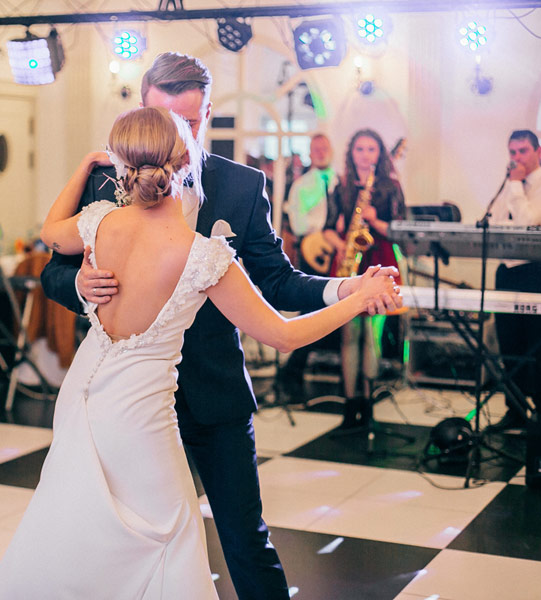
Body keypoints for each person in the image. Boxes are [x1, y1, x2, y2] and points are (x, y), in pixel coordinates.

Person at [39, 52, 401, 600]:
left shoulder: (238, 186)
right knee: (126, 539)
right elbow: (53, 269)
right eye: (166, 120)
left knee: (243, 539)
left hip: (213, 395)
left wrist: (345, 287)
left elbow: (277, 284)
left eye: (191, 121)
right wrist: (78, 287)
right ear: (143, 111)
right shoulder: (104, 183)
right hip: (125, 404)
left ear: (207, 112)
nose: (178, 134)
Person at [323, 129, 406, 429]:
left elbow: (400, 231)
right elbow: (328, 228)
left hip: (380, 262)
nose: (366, 155)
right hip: (349, 265)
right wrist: (342, 245)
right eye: (360, 149)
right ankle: (349, 403)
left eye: (372, 149)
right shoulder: (341, 187)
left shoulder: (390, 187)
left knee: (373, 333)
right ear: (351, 153)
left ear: (380, 154)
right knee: (349, 334)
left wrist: (373, 219)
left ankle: (369, 402)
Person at [488, 129, 541, 432]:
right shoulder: (508, 184)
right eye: (513, 152)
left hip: (538, 271)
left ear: (538, 152)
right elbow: (495, 221)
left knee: (539, 348)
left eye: (522, 151)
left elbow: (525, 224)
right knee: (510, 346)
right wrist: (512, 186)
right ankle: (516, 410)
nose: (516, 158)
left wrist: (517, 185)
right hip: (507, 271)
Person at [282, 133, 338, 390]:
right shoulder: (302, 185)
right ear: (310, 153)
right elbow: (297, 222)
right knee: (313, 308)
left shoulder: (341, 181)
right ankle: (292, 370)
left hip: (334, 251)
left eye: (324, 148)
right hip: (312, 249)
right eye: (316, 149)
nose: (321, 152)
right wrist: (319, 228)